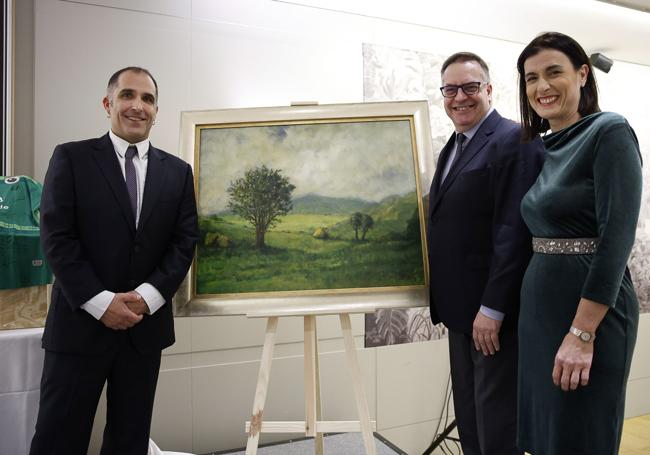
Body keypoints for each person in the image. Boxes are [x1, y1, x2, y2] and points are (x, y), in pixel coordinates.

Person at [30, 67, 199, 455]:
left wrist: (145, 298)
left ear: (156, 111)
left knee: (129, 440)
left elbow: (183, 242)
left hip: (143, 331)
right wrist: (102, 303)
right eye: (127, 95)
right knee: (58, 439)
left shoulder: (177, 172)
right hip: (78, 327)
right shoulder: (71, 158)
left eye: (148, 99)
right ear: (108, 104)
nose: (137, 106)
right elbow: (56, 238)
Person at [517, 32, 642, 455]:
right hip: (540, 312)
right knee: (549, 438)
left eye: (554, 73)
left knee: (581, 437)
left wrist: (582, 333)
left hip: (589, 316)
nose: (542, 87)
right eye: (531, 78)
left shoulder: (610, 132)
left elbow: (616, 240)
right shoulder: (543, 147)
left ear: (583, 75)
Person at [427, 52, 544, 455]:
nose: (459, 97)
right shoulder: (454, 146)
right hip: (460, 314)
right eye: (450, 89)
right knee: (472, 422)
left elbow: (515, 231)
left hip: (491, 317)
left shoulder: (516, 139)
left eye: (470, 87)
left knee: (497, 429)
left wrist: (493, 309)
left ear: (489, 90)